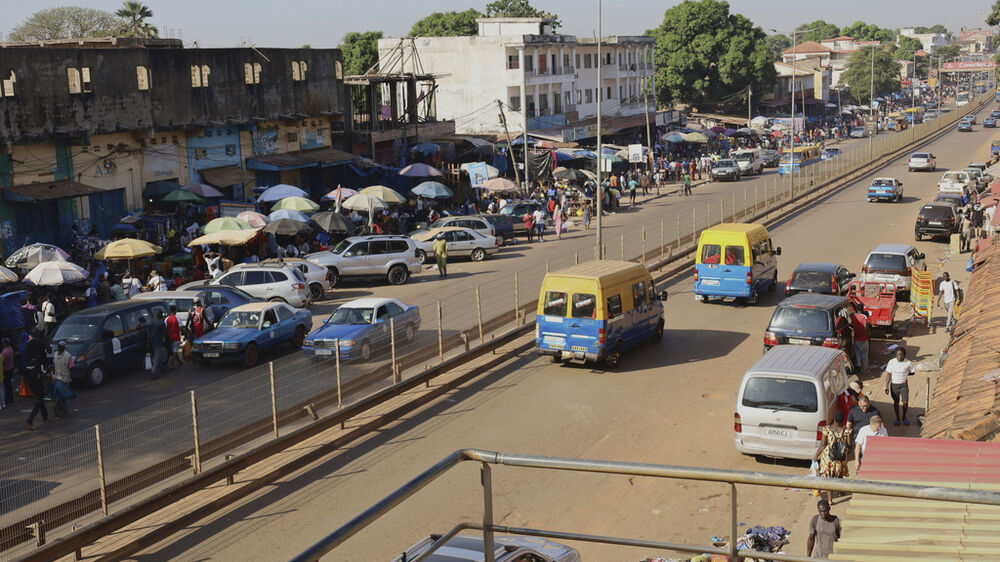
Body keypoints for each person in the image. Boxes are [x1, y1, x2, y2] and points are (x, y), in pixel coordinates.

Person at [813, 410, 849, 505]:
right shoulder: (847, 430)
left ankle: (830, 500)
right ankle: (840, 492)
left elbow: (823, 444)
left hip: (829, 458)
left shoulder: (827, 429)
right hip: (841, 458)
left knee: (830, 478)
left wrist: (816, 455)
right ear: (843, 420)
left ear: (834, 419)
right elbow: (850, 445)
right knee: (839, 475)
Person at [882, 347, 915, 426]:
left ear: (904, 355)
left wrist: (906, 373)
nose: (900, 356)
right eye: (898, 354)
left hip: (904, 385)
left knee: (905, 402)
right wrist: (886, 386)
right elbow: (888, 374)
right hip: (894, 385)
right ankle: (897, 418)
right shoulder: (891, 362)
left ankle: (904, 417)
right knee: (896, 402)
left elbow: (912, 372)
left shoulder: (908, 363)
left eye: (901, 354)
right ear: (896, 354)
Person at [23, 331, 48, 430]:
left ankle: (45, 417)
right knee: (39, 400)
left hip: (30, 380)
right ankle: (30, 420)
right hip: (37, 379)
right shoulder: (38, 362)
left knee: (40, 398)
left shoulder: (28, 359)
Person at [50, 340, 74, 417]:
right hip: (57, 377)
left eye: (60, 346)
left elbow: (71, 367)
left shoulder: (67, 356)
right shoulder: (56, 354)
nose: (59, 348)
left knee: (63, 396)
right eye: (58, 346)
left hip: (64, 379)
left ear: (63, 347)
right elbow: (54, 364)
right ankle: (61, 410)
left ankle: (63, 410)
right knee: (58, 395)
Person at [148, 310, 168, 379]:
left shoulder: (150, 321)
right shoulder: (161, 323)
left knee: (157, 355)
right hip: (158, 342)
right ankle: (154, 372)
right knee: (156, 356)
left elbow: (148, 332)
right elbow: (165, 332)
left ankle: (161, 368)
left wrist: (148, 342)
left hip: (152, 341)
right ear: (160, 315)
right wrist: (164, 338)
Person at [851, 307, 870, 373]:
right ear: (862, 310)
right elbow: (865, 326)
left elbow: (852, 325)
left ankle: (859, 368)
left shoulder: (854, 316)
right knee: (864, 353)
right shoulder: (864, 317)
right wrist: (868, 334)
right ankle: (865, 369)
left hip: (856, 337)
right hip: (864, 337)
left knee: (857, 353)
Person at [1, 338, 14, 406]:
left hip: (6, 369)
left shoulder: (5, 351)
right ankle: (11, 398)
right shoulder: (10, 348)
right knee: (9, 384)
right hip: (11, 368)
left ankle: (8, 399)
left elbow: (2, 361)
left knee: (6, 385)